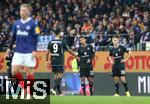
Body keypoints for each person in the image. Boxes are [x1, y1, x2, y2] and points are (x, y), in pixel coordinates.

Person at [5, 4, 39, 99]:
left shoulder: (33, 23)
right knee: (14, 71)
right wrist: (9, 48)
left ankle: (29, 92)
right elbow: (13, 37)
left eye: (24, 10)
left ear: (28, 12)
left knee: (29, 72)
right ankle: (24, 89)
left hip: (29, 51)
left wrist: (34, 50)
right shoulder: (16, 23)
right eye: (21, 10)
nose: (22, 12)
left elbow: (36, 38)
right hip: (18, 51)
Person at [46, 30, 79, 96]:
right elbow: (69, 50)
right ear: (59, 34)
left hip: (53, 60)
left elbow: (47, 52)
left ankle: (59, 93)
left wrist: (46, 61)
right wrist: (76, 56)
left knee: (56, 76)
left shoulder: (51, 42)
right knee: (60, 75)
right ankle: (53, 88)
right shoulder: (61, 42)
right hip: (59, 60)